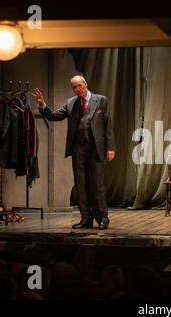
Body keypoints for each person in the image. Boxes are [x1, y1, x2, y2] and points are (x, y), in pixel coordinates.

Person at [31, 75, 116, 230]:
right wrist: (42, 104)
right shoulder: (71, 103)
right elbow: (54, 116)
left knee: (97, 185)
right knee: (80, 185)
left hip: (96, 147)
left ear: (85, 84)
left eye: (79, 86)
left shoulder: (101, 100)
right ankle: (86, 218)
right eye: (74, 87)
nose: (77, 89)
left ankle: (102, 217)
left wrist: (111, 147)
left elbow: (108, 124)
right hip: (78, 148)